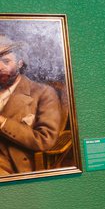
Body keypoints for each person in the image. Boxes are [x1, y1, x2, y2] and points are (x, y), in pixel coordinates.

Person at [0, 35, 63, 175]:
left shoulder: (43, 93)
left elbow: (45, 139)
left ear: (20, 63)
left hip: (12, 167)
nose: (0, 67)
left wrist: (3, 122)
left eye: (6, 61)